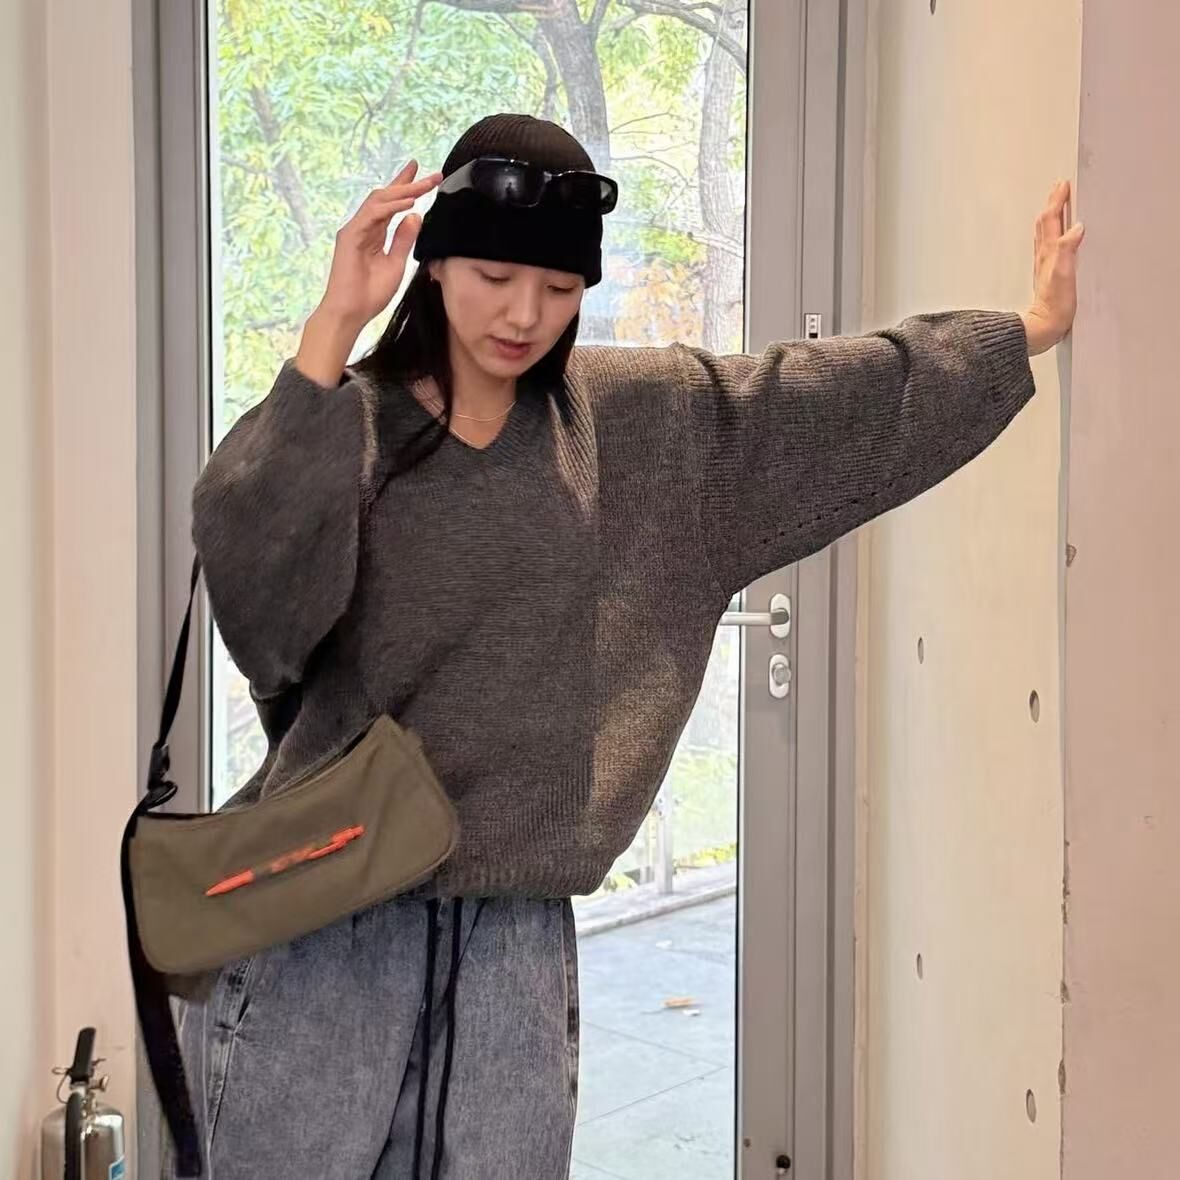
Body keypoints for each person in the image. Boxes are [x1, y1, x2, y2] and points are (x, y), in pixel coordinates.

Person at [178, 113, 1083, 1179]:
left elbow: (828, 393)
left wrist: (1024, 330)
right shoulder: (351, 424)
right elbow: (250, 592)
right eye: (494, 276)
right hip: (323, 917)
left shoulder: (640, 426)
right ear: (435, 263)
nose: (525, 314)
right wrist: (334, 323)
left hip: (512, 945)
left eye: (560, 288)